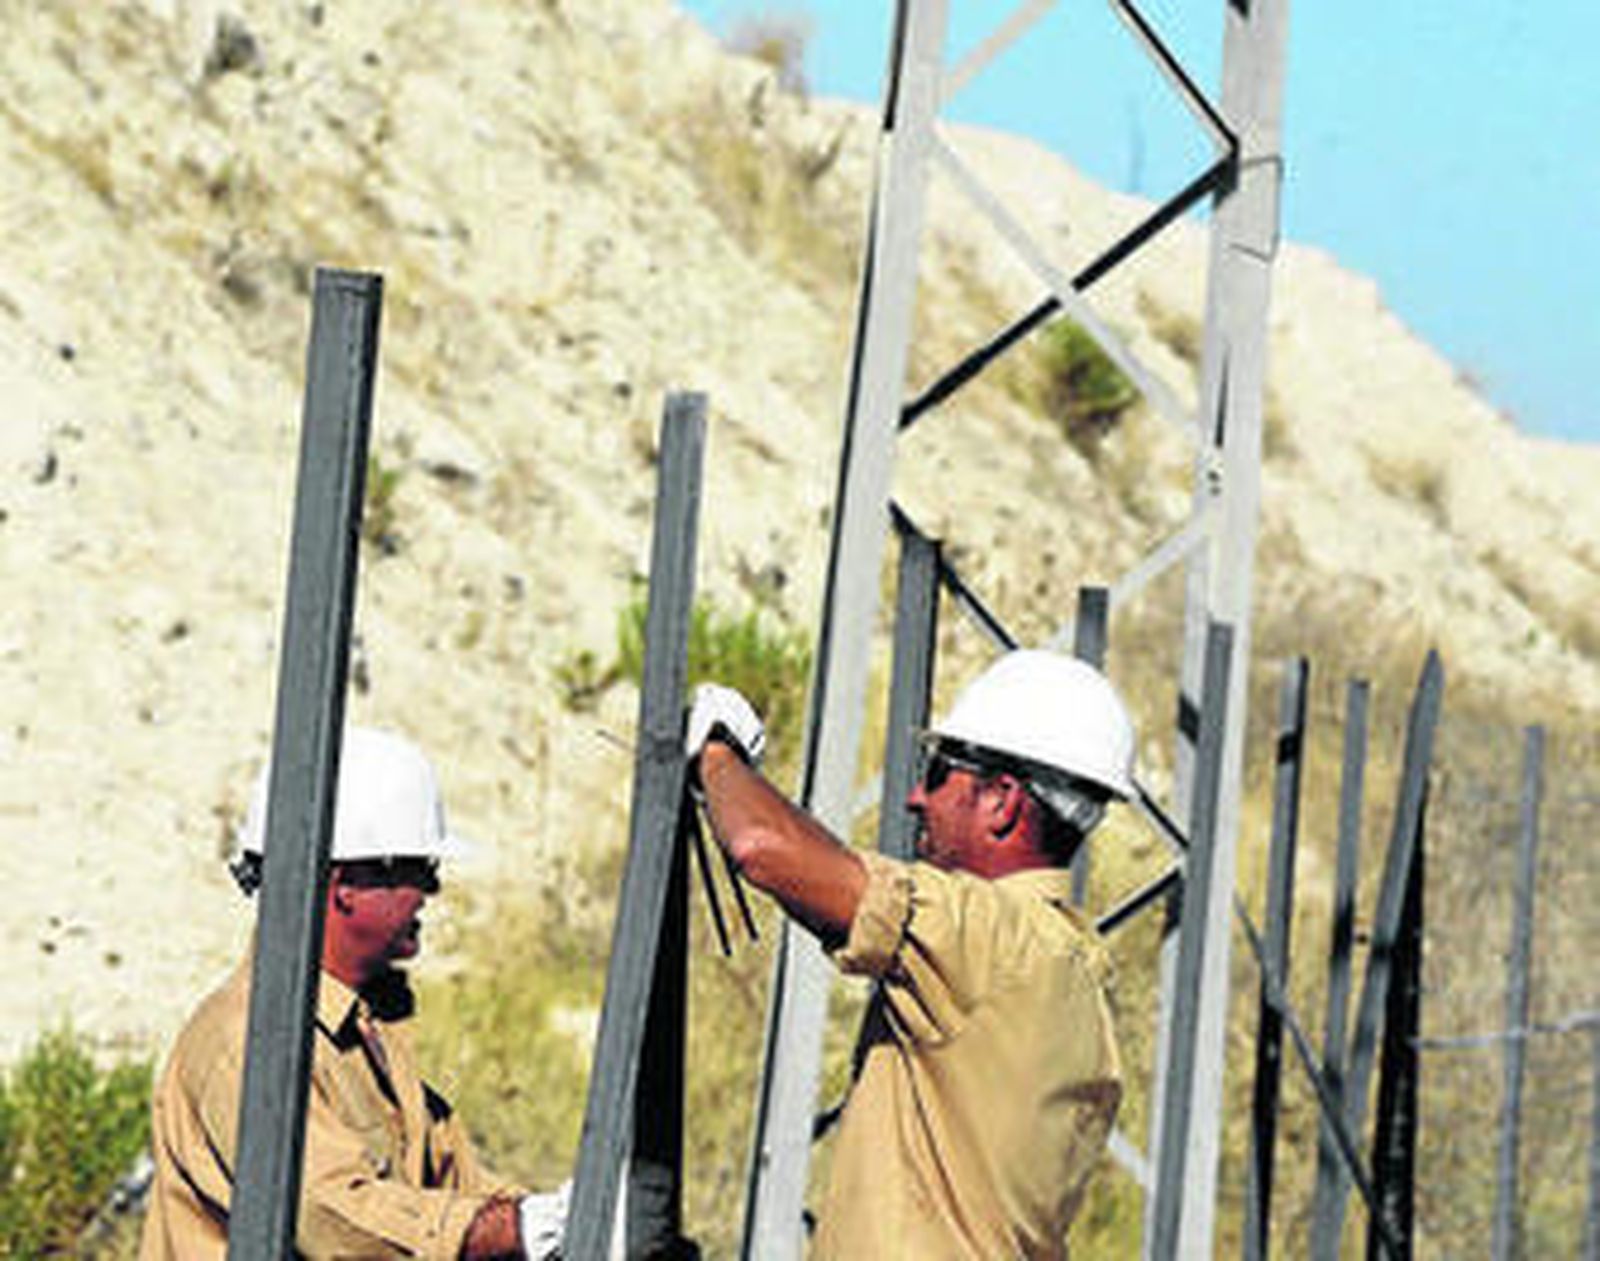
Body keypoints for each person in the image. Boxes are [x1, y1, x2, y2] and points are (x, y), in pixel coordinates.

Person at [687, 650, 1135, 1259]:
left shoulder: (997, 941)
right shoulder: (1075, 967)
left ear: (1002, 800)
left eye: (938, 770)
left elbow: (763, 848)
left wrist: (717, 756)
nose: (915, 797)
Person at [140, 727, 567, 1260]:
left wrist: (559, 1222)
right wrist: (523, 1229)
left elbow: (456, 1180)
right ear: (345, 884)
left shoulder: (362, 1032)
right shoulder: (249, 1044)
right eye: (420, 869)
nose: (431, 891)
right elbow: (336, 1220)